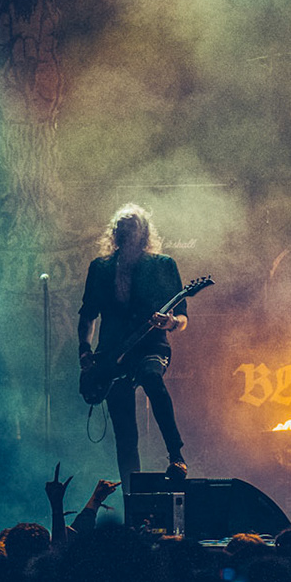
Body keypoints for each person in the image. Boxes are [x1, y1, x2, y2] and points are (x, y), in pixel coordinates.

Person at [77, 204, 189, 481]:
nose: (125, 229)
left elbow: (183, 315)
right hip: (112, 355)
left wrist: (171, 323)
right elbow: (88, 315)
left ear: (143, 232)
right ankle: (130, 496)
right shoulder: (100, 268)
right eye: (120, 225)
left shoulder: (163, 265)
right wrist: (84, 351)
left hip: (151, 347)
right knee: (125, 433)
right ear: (114, 232)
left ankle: (176, 455)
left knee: (152, 378)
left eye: (132, 224)